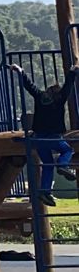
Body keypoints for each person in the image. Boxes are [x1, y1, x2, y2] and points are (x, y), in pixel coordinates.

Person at [9, 61, 79, 207]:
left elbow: (29, 86)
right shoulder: (60, 99)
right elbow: (68, 86)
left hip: (39, 138)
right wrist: (72, 71)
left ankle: (45, 191)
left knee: (47, 165)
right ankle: (63, 165)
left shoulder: (40, 96)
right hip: (53, 137)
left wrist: (20, 71)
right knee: (67, 150)